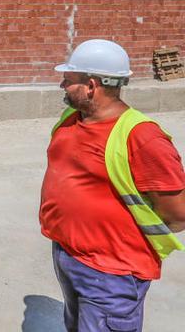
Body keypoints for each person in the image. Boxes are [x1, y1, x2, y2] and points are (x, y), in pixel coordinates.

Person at [40, 39, 185, 331]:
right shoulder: (71, 119)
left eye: (68, 81)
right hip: (68, 255)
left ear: (91, 86)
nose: (61, 87)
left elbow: (178, 215)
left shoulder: (143, 138)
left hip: (111, 272)